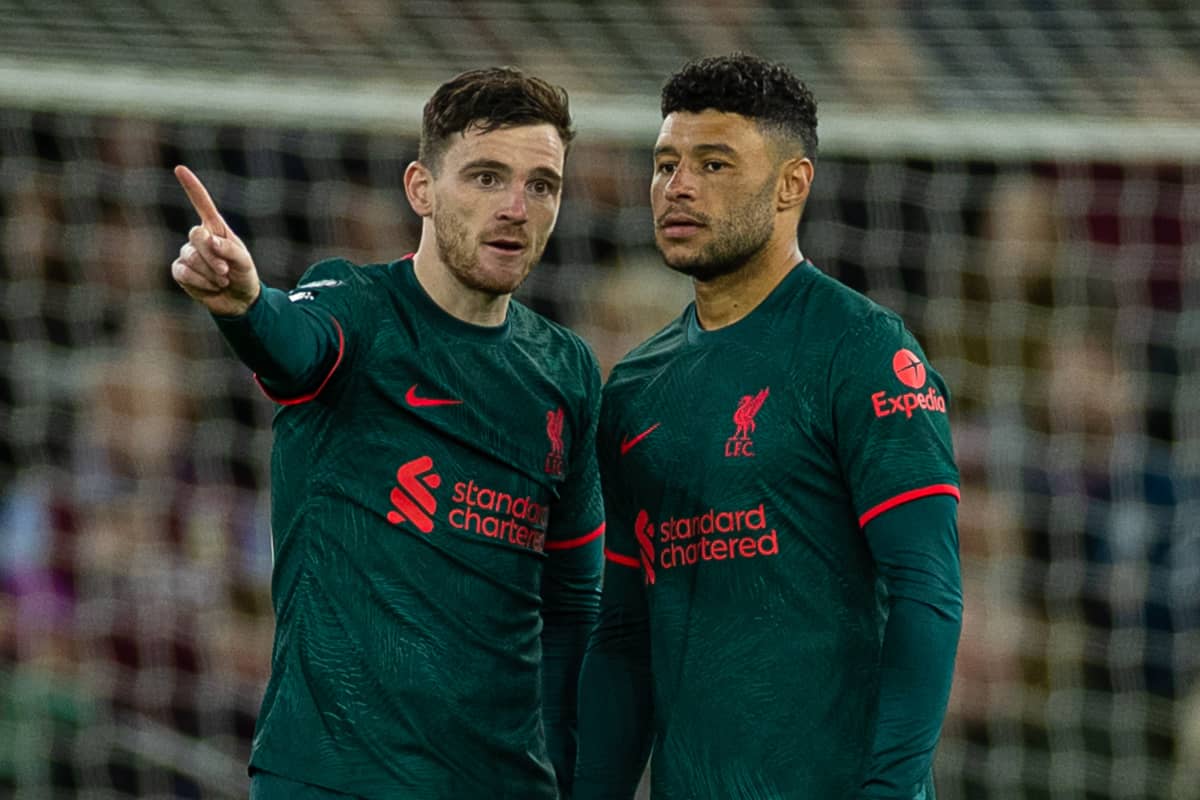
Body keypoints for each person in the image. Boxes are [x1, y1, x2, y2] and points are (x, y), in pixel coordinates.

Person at [170, 67, 604, 799]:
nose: (517, 208)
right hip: (335, 774)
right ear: (421, 189)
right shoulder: (358, 306)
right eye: (488, 177)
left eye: (542, 185)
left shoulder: (567, 370)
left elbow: (573, 602)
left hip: (505, 783)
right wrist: (244, 303)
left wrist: (568, 776)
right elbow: (293, 344)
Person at [574, 53, 963, 799]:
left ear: (793, 185)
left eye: (714, 164)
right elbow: (623, 635)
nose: (677, 187)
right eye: (665, 164)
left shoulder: (862, 350)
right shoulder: (633, 390)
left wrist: (889, 791)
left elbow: (928, 589)